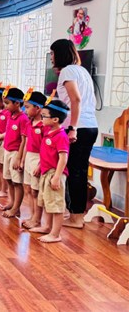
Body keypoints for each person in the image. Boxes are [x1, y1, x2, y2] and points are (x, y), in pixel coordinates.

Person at [50, 39, 98, 228]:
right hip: (90, 125)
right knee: (79, 172)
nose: (51, 57)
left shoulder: (67, 71)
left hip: (79, 128)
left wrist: (73, 128)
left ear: (60, 54)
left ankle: (76, 217)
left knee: (74, 173)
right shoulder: (82, 70)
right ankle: (75, 214)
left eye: (52, 53)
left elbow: (76, 99)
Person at [30, 99, 70, 243]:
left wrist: (57, 177)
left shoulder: (61, 136)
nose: (41, 118)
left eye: (44, 116)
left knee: (56, 205)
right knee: (48, 202)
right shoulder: (48, 132)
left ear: (55, 119)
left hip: (54, 173)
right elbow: (45, 152)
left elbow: (63, 158)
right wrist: (40, 166)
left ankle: (55, 234)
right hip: (46, 172)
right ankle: (47, 227)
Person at [20, 89, 47, 230]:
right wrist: (22, 160)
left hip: (38, 159)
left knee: (36, 191)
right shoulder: (29, 123)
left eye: (27, 107)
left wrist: (40, 165)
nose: (25, 110)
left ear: (38, 108)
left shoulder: (44, 126)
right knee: (28, 189)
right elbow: (26, 144)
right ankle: (32, 216)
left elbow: (46, 148)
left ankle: (37, 220)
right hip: (29, 157)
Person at [1, 86, 29, 218]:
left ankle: (16, 208)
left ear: (17, 103)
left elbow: (24, 140)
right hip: (7, 151)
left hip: (15, 153)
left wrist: (19, 158)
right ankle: (12, 202)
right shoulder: (9, 115)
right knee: (8, 179)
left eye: (7, 103)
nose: (5, 106)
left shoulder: (23, 118)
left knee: (17, 182)